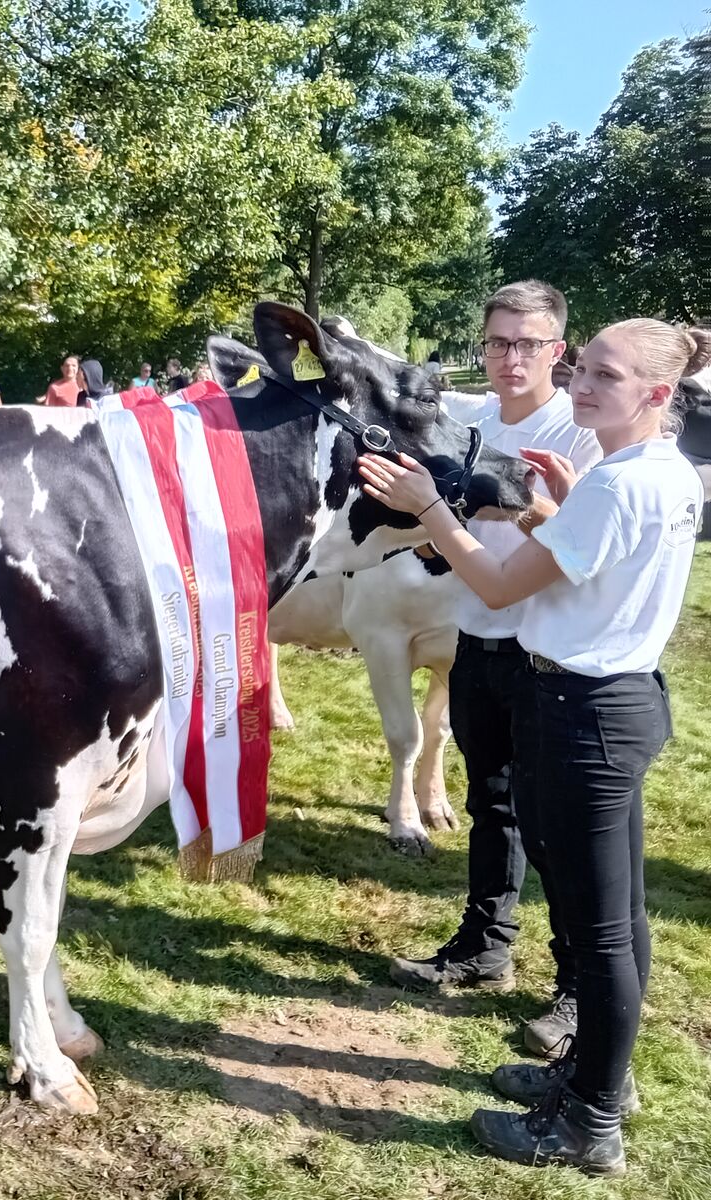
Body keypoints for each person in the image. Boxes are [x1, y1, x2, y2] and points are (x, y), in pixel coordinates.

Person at [358, 319, 709, 1175]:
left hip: (581, 713)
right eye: (583, 368)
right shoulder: (659, 472)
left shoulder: (619, 485)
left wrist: (428, 508)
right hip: (619, 702)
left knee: (600, 934)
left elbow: (497, 580)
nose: (582, 386)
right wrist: (554, 505)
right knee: (616, 919)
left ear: (658, 396)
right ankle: (601, 1080)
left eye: (605, 377)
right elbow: (594, 563)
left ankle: (588, 1123)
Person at [387, 283, 604, 1058]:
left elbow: (581, 545)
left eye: (529, 343)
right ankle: (485, 945)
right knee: (492, 804)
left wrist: (481, 510)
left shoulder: (579, 432)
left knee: (556, 833)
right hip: (472, 633)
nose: (511, 358)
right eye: (498, 342)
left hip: (547, 651)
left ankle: (580, 990)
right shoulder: (469, 419)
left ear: (559, 351)